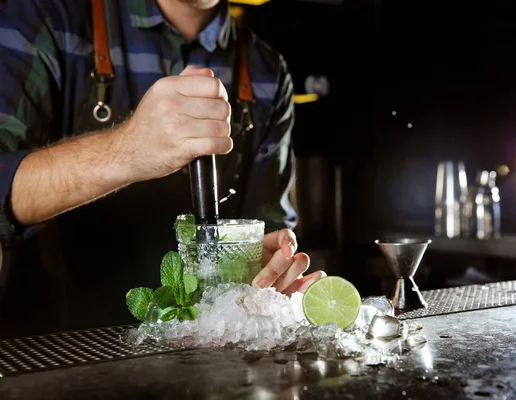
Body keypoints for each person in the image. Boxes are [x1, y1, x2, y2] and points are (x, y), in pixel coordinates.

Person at [0, 0, 324, 339]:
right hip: (52, 355)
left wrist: (269, 269)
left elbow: (267, 228)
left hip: (202, 365)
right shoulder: (47, 19)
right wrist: (125, 150)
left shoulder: (267, 72)